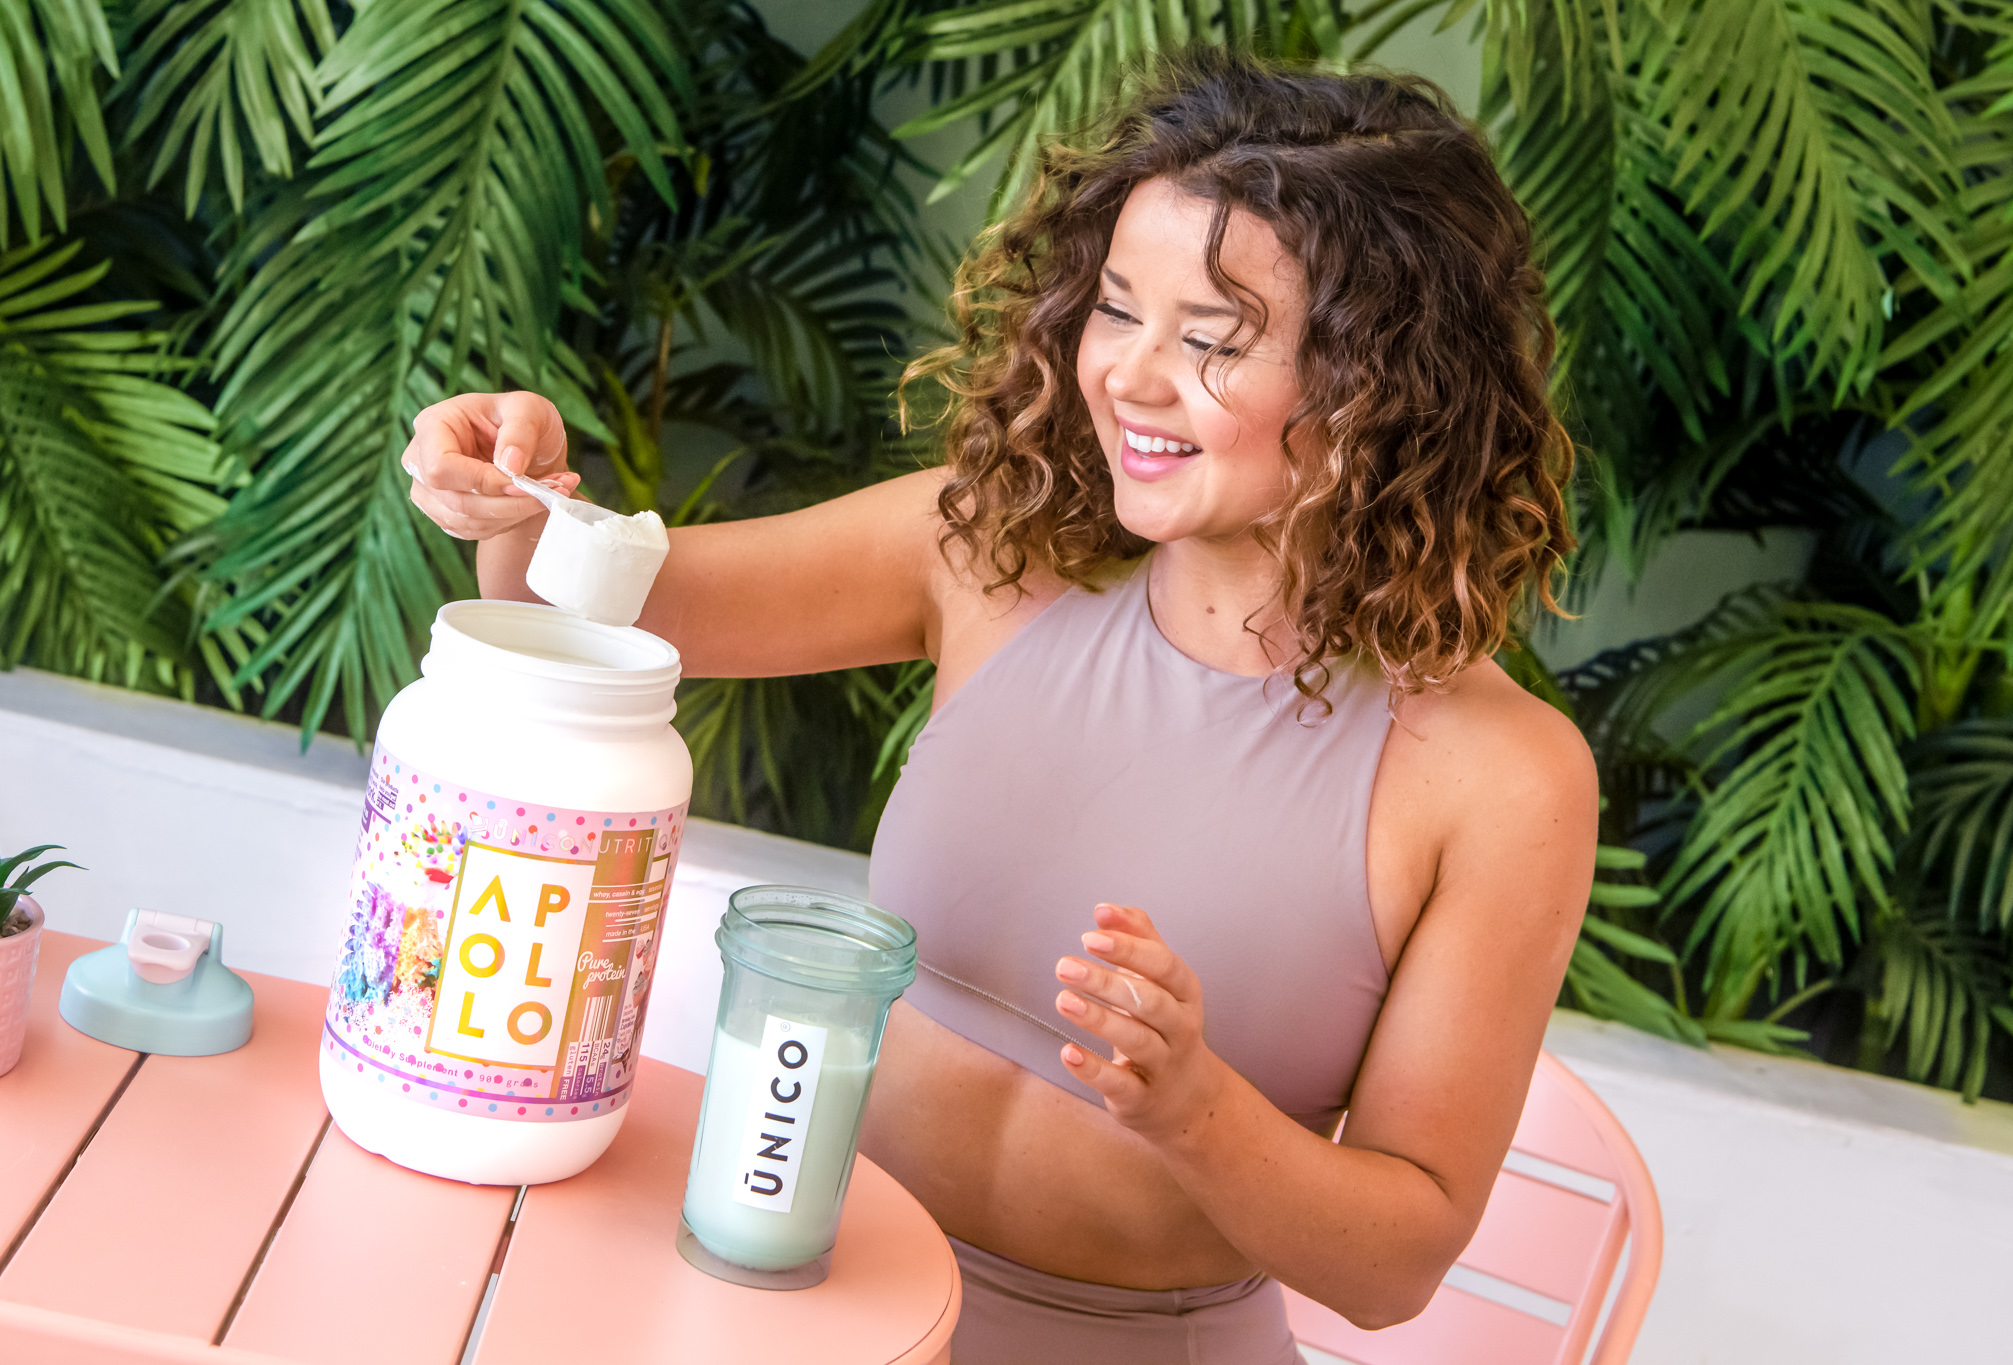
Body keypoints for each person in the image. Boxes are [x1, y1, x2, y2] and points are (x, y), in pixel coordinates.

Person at [404, 53, 1597, 1365]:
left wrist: (1194, 1102)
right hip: (818, 1301)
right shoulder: (990, 555)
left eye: (1208, 339)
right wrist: (518, 502)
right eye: (1117, 309)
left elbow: (1393, 1266)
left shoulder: (1497, 776)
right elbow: (603, 606)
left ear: (1379, 381)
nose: (1130, 375)